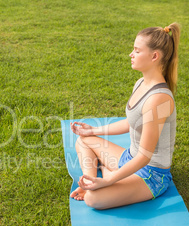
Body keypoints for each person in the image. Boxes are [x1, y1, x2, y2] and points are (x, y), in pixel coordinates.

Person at [69, 23, 180, 210]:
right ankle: (89, 182)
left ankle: (102, 179)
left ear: (154, 56)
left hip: (150, 175)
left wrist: (110, 180)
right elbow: (131, 122)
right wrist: (93, 130)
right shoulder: (140, 83)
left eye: (137, 50)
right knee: (83, 141)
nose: (131, 54)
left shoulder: (159, 99)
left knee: (94, 200)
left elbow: (145, 156)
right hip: (129, 158)